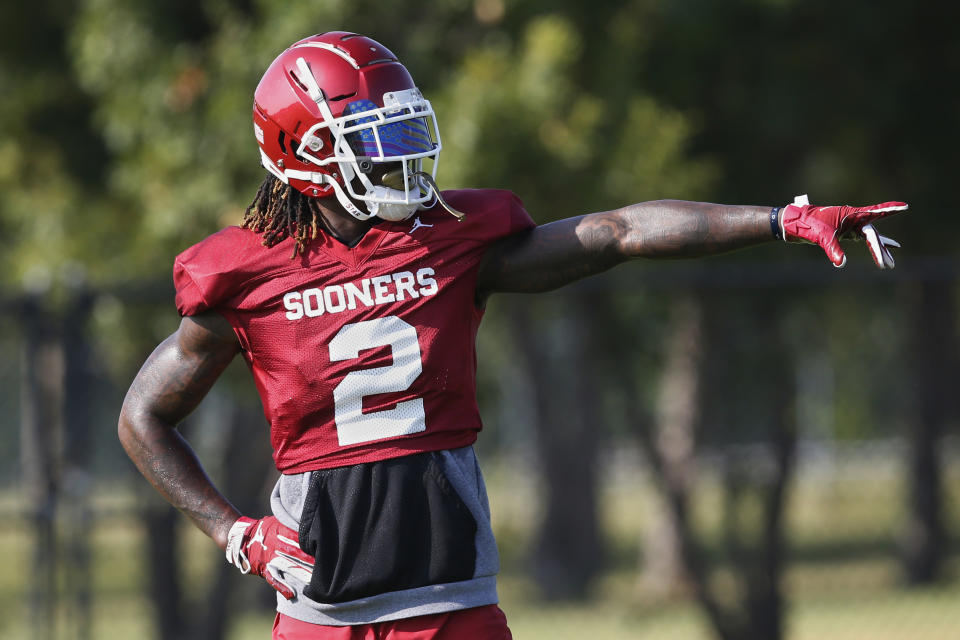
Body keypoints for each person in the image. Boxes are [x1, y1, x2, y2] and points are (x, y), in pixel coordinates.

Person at [118, 31, 907, 640]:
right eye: (374, 138)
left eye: (403, 131)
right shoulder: (247, 275)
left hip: (453, 592)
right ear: (309, 154)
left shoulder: (451, 240)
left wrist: (780, 219)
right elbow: (142, 417)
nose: (402, 155)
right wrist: (233, 532)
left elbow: (619, 230)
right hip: (322, 606)